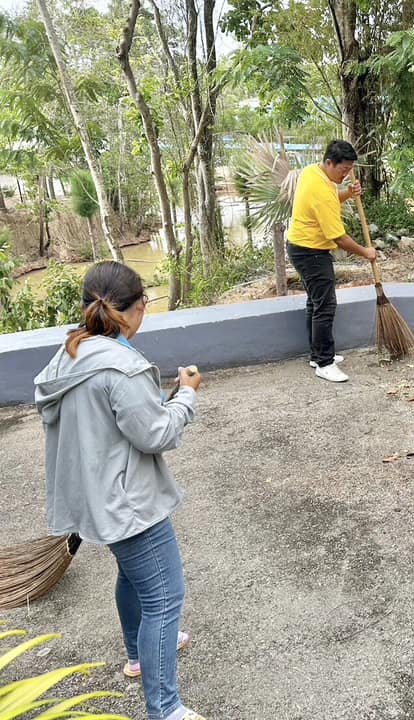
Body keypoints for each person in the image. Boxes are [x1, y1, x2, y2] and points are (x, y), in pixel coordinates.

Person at [34, 261, 205, 720]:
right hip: (129, 502)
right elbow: (155, 435)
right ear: (139, 307)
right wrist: (185, 395)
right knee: (165, 597)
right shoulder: (122, 367)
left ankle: (136, 654)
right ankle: (165, 708)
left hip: (97, 495)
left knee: (134, 577)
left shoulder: (71, 353)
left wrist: (158, 404)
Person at [287, 139, 377, 383]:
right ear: (329, 162)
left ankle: (317, 355)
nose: (346, 174)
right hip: (310, 252)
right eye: (343, 170)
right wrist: (365, 252)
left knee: (315, 303)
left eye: (349, 170)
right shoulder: (321, 190)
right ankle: (324, 363)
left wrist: (347, 193)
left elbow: (327, 199)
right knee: (325, 305)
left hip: (300, 246)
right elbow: (339, 238)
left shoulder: (313, 173)